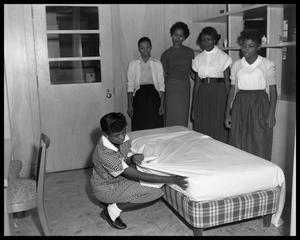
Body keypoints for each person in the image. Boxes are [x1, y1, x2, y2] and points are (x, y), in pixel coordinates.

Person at [90, 112, 188, 229]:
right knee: (154, 192)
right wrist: (171, 179)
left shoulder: (122, 138)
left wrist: (132, 158)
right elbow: (137, 175)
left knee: (154, 183)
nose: (122, 137)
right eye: (117, 135)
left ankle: (113, 201)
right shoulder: (105, 154)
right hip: (105, 188)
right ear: (105, 134)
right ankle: (112, 211)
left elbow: (123, 156)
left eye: (123, 132)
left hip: (118, 179)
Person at [224, 29, 277, 161]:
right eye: (243, 46)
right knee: (238, 140)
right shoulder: (236, 65)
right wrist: (227, 113)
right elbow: (232, 90)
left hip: (260, 104)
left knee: (259, 139)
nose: (246, 49)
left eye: (251, 46)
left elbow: (273, 91)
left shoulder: (267, 64)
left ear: (258, 47)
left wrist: (271, 114)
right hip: (240, 104)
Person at [191, 27, 232, 143]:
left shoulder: (224, 57)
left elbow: (228, 82)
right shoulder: (198, 58)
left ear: (214, 40)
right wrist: (193, 107)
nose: (206, 42)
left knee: (218, 124)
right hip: (203, 93)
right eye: (203, 40)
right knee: (203, 124)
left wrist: (229, 105)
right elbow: (197, 83)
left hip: (219, 92)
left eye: (209, 39)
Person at [160, 21, 195, 127]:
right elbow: (162, 76)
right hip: (170, 87)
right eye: (175, 35)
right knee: (170, 116)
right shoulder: (166, 54)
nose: (177, 38)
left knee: (182, 116)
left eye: (181, 36)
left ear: (184, 38)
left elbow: (192, 72)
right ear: (171, 35)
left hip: (184, 87)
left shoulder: (189, 52)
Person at [127, 37, 165, 131]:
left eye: (147, 47)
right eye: (142, 48)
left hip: (154, 97)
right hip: (139, 97)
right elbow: (130, 86)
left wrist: (162, 104)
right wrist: (129, 105)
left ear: (151, 47)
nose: (145, 50)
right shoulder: (133, 64)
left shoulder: (157, 64)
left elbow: (161, 86)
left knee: (155, 125)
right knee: (140, 125)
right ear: (139, 49)